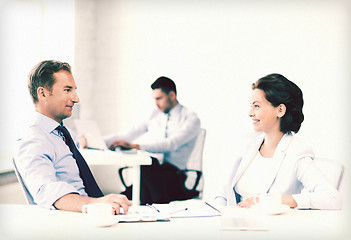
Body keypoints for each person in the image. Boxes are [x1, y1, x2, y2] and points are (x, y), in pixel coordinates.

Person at [14, 60, 132, 213]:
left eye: (74, 90)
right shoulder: (33, 138)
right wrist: (96, 203)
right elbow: (46, 190)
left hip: (89, 215)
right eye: (67, 90)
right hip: (74, 221)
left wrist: (80, 141)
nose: (76, 98)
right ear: (42, 93)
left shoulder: (60, 134)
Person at [214, 73, 341, 209]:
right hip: (236, 224)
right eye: (251, 106)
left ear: (280, 110)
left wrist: (274, 201)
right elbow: (223, 194)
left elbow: (332, 198)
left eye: (257, 106)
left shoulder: (297, 152)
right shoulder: (247, 143)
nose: (250, 113)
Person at [105, 76, 201, 204]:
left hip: (176, 175)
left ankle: (151, 202)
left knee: (146, 165)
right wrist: (97, 141)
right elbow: (130, 133)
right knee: (147, 166)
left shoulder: (190, 118)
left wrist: (135, 146)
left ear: (172, 95)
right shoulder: (154, 114)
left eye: (159, 98)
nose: (156, 103)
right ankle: (158, 204)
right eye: (154, 99)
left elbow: (171, 144)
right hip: (154, 175)